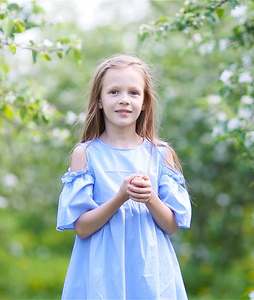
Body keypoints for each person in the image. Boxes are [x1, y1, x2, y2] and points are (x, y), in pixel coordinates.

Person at [56, 54, 192, 299]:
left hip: (149, 271)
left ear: (145, 103)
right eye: (114, 92)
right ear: (99, 100)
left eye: (133, 93)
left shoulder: (159, 154)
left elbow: (171, 226)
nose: (124, 101)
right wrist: (120, 197)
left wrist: (150, 197)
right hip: (101, 273)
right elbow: (82, 228)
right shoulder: (86, 154)